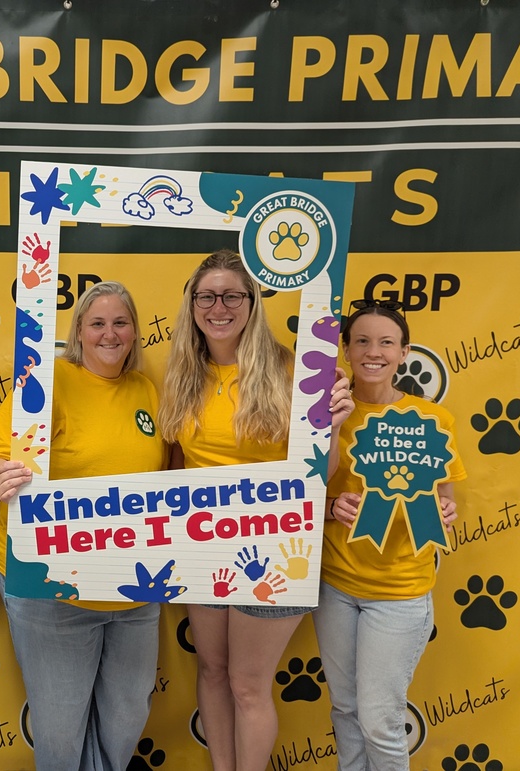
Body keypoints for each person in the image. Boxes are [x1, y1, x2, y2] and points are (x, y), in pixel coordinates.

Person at [157, 249, 352, 770]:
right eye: (206, 296)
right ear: (192, 304)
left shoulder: (295, 369)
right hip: (202, 544)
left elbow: (319, 473)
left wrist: (332, 429)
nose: (218, 307)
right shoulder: (182, 373)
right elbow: (177, 465)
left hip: (275, 547)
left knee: (247, 685)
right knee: (213, 672)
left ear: (253, 301)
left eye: (231, 295)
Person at [0, 281, 166, 771]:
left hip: (135, 587)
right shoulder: (46, 383)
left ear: (134, 332)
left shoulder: (146, 390)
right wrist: (1, 478)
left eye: (120, 322)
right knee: (61, 732)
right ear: (79, 331)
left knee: (127, 716)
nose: (110, 333)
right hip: (52, 586)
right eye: (97, 323)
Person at [312, 299, 465, 770]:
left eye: (385, 342)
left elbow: (447, 501)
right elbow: (300, 498)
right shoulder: (323, 415)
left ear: (404, 352)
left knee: (380, 720)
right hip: (336, 586)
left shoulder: (432, 420)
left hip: (399, 593)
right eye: (361, 341)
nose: (372, 352)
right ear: (345, 349)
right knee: (345, 709)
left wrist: (446, 509)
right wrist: (331, 507)